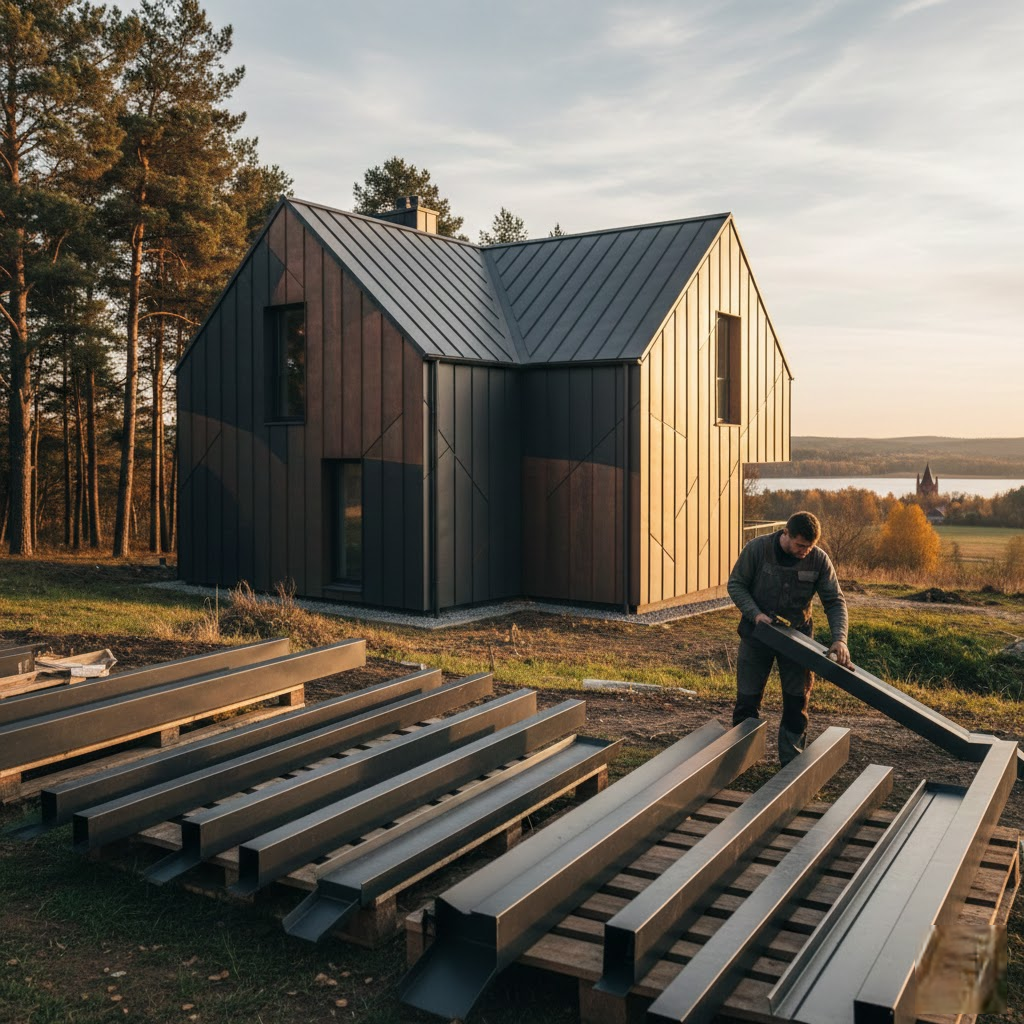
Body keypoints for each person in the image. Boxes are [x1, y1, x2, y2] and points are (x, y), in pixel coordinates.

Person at [726, 510, 850, 765]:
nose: (805, 551)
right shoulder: (757, 549)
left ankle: (791, 766)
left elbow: (835, 601)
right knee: (747, 700)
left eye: (810, 546)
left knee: (796, 703)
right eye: (800, 545)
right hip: (756, 635)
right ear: (786, 534)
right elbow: (736, 584)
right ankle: (740, 762)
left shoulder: (819, 560)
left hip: (797, 641)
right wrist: (755, 614)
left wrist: (840, 638)